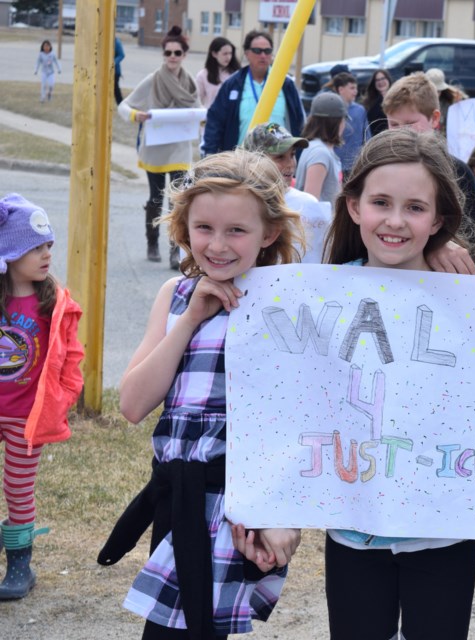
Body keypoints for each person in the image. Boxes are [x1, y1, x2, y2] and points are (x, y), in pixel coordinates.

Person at [302, 128, 475, 640]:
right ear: (355, 206)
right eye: (381, 202)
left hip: (443, 532)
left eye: (415, 208)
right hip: (353, 530)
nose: (396, 221)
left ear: (439, 219)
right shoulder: (320, 297)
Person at [97, 150, 305, 638]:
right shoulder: (175, 295)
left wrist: (280, 514)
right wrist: (191, 319)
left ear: (269, 233)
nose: (217, 244)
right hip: (176, 497)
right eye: (204, 228)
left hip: (237, 504)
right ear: (184, 226)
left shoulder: (289, 301)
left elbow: (297, 420)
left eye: (237, 230)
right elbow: (132, 404)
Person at [0, 194, 83, 601]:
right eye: (35, 247)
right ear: (9, 253)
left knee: (17, 487)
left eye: (48, 244)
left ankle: (20, 565)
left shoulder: (54, 304)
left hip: (25, 419)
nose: (46, 254)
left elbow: (71, 357)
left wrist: (64, 396)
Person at [118, 26, 201, 269]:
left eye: (177, 53)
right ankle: (152, 242)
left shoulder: (189, 82)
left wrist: (201, 119)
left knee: (177, 202)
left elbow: (198, 109)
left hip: (180, 150)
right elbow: (124, 106)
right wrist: (136, 115)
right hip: (155, 149)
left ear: (184, 54)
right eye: (168, 53)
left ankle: (175, 251)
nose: (172, 57)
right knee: (156, 199)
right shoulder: (153, 79)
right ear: (163, 54)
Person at [383, 72, 475, 241]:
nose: (401, 131)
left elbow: (474, 236)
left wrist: (441, 246)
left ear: (435, 118)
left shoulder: (458, 172)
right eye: (393, 124)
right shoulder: (377, 168)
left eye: (410, 124)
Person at [202, 30, 305, 156]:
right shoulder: (233, 84)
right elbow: (215, 121)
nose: (263, 55)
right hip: (242, 161)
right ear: (247, 53)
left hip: (278, 160)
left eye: (267, 51)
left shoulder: (286, 84)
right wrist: (210, 153)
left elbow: (300, 122)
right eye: (257, 51)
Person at [243, 122, 331, 263]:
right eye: (280, 157)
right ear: (255, 160)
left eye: (292, 155)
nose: (291, 163)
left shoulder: (307, 203)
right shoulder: (239, 202)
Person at [294, 92, 347, 206]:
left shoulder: (318, 148)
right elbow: (311, 202)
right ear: (337, 123)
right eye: (343, 120)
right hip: (321, 223)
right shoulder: (320, 153)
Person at [330, 72, 369, 177]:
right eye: (352, 88)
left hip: (354, 164)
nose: (355, 91)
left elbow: (367, 135)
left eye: (356, 88)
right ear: (341, 89)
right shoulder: (331, 109)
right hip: (335, 162)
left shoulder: (360, 110)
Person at [196, 36, 241, 108]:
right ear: (214, 54)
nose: (228, 57)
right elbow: (198, 102)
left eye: (230, 53)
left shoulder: (237, 74)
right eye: (225, 54)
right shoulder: (202, 75)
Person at [426, 68, 468, 136]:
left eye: (438, 91)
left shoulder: (448, 103)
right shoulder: (417, 102)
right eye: (432, 91)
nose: (436, 94)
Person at [363, 69, 392, 137]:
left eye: (383, 78)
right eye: (377, 80)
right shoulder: (370, 103)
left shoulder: (398, 98)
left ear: (388, 79)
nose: (380, 82)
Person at [114, 35, 125, 105]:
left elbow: (122, 55)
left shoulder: (117, 42)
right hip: (105, 72)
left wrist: (113, 62)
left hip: (115, 72)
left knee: (116, 90)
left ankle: (121, 105)